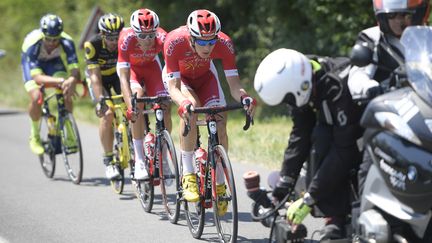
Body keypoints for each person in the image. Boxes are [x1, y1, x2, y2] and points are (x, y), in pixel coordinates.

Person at [254, 48, 363, 240]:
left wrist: (309, 198)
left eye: (288, 99)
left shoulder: (337, 86)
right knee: (317, 137)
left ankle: (337, 218)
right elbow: (300, 136)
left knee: (322, 139)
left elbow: (344, 150)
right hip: (345, 139)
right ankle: (336, 216)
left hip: (364, 138)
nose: (289, 104)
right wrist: (283, 186)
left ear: (298, 87)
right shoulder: (308, 78)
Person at [163, 9, 257, 213]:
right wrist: (183, 104)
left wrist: (245, 97)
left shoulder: (224, 43)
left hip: (206, 77)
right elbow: (173, 88)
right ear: (191, 38)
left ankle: (220, 184)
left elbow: (234, 84)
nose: (209, 47)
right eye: (203, 42)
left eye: (212, 41)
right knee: (192, 107)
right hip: (181, 80)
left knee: (221, 118)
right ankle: (188, 174)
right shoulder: (174, 41)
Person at [348, 0, 430, 194]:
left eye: (405, 15)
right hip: (388, 115)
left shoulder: (427, 38)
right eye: (392, 16)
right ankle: (361, 210)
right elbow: (358, 73)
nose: (398, 21)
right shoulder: (372, 38)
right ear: (382, 18)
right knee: (372, 156)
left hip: (423, 110)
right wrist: (369, 88)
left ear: (419, 14)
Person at [117, 8, 171, 180]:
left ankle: (163, 154)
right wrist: (130, 105)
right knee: (137, 99)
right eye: (142, 36)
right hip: (132, 70)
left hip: (151, 68)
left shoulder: (163, 37)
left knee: (164, 103)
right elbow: (124, 78)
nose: (148, 40)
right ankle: (139, 159)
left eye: (151, 35)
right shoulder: (126, 39)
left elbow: (173, 67)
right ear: (134, 32)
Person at [21, 13, 81, 155]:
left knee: (67, 90)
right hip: (34, 66)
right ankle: (34, 136)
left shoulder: (67, 41)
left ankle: (69, 133)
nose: (52, 43)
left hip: (53, 62)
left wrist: (71, 80)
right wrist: (61, 80)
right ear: (43, 35)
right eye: (48, 39)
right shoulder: (32, 44)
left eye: (56, 40)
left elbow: (75, 69)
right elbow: (37, 77)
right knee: (37, 97)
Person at [84, 13, 124, 179]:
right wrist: (101, 100)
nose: (115, 42)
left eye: (117, 37)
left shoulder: (125, 42)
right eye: (110, 38)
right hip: (98, 79)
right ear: (102, 34)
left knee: (132, 105)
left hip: (116, 76)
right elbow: (94, 76)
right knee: (107, 114)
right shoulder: (92, 44)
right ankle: (108, 160)